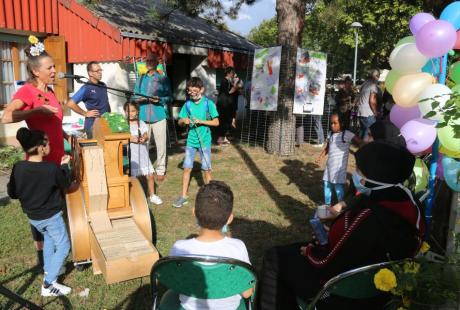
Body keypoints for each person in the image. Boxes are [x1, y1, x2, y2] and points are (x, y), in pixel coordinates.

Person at [257, 141, 424, 309]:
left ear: (375, 176)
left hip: (341, 291)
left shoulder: (368, 217)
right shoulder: (409, 202)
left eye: (359, 170)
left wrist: (309, 252)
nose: (355, 174)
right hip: (380, 290)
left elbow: (326, 263)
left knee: (275, 257)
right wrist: (336, 227)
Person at [1, 36, 65, 270]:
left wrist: (67, 136)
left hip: (57, 158)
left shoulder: (50, 92)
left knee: (56, 209)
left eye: (54, 66)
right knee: (42, 211)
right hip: (40, 163)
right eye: (50, 68)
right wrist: (34, 111)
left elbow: (54, 123)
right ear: (36, 71)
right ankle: (43, 258)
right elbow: (7, 116)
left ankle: (58, 251)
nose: (55, 71)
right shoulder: (28, 92)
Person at [7, 128, 72, 296]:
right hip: (51, 217)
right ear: (41, 148)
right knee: (64, 246)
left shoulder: (18, 167)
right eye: (48, 142)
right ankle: (48, 285)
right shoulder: (51, 168)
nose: (50, 145)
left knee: (49, 240)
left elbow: (12, 193)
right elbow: (65, 182)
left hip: (34, 218)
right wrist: (64, 166)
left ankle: (49, 272)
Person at [169, 181, 253, 309]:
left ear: (194, 212)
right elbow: (247, 293)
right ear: (229, 219)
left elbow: (174, 283)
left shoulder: (178, 247)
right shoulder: (238, 248)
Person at [173, 77, 219, 208]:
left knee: (206, 170)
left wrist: (201, 121)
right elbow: (179, 121)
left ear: (201, 90)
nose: (191, 93)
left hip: (204, 141)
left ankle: (210, 197)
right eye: (189, 91)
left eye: (194, 90)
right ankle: (183, 196)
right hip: (191, 142)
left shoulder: (208, 104)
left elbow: (216, 122)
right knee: (187, 168)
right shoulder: (187, 105)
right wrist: (184, 121)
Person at [133, 54, 172, 182]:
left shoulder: (163, 78)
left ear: (157, 62)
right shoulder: (140, 79)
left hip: (159, 115)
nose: (149, 62)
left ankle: (160, 169)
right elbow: (133, 97)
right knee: (144, 144)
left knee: (161, 145)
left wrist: (159, 99)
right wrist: (140, 99)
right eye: (147, 61)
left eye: (151, 60)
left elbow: (170, 97)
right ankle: (145, 168)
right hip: (143, 115)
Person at [316, 112, 362, 206]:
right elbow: (328, 147)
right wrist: (320, 156)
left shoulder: (347, 134)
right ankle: (327, 204)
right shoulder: (330, 134)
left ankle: (340, 206)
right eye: (331, 123)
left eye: (335, 123)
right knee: (326, 184)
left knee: (338, 187)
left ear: (342, 123)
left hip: (339, 169)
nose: (332, 125)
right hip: (329, 166)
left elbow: (360, 142)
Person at [123, 102, 162, 205]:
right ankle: (134, 197)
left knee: (150, 175)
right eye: (127, 111)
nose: (130, 113)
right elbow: (121, 139)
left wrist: (144, 137)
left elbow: (146, 135)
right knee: (133, 178)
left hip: (143, 154)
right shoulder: (123, 124)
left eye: (133, 111)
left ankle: (152, 195)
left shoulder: (141, 123)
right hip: (132, 156)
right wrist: (130, 138)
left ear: (137, 112)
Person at [67, 61, 111, 139]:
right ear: (90, 73)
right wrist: (85, 113)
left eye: (101, 70)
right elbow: (70, 103)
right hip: (93, 126)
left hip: (106, 124)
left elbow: (105, 103)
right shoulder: (86, 88)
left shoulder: (103, 85)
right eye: (97, 71)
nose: (100, 72)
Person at [216, 67, 241, 145]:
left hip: (228, 105)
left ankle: (225, 138)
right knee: (223, 121)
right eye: (233, 73)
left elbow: (236, 91)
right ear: (229, 73)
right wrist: (236, 84)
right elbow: (229, 92)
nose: (233, 74)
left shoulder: (229, 81)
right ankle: (220, 139)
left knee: (227, 121)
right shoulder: (224, 81)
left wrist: (236, 84)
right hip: (223, 105)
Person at [357, 69, 380, 140]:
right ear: (375, 76)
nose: (378, 78)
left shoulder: (364, 83)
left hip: (361, 111)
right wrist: (375, 112)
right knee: (370, 133)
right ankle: (366, 149)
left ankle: (360, 148)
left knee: (363, 131)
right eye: (378, 76)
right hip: (368, 113)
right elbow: (372, 100)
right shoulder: (373, 85)